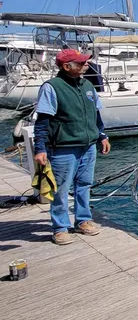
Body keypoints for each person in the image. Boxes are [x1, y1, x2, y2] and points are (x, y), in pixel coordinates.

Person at [33, 49, 111, 245]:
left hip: (88, 145)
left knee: (84, 184)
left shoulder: (87, 85)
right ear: (67, 66)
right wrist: (40, 148)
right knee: (60, 189)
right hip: (63, 147)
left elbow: (96, 115)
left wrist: (102, 135)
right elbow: (42, 120)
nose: (86, 65)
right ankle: (60, 227)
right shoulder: (52, 87)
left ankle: (83, 220)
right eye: (81, 63)